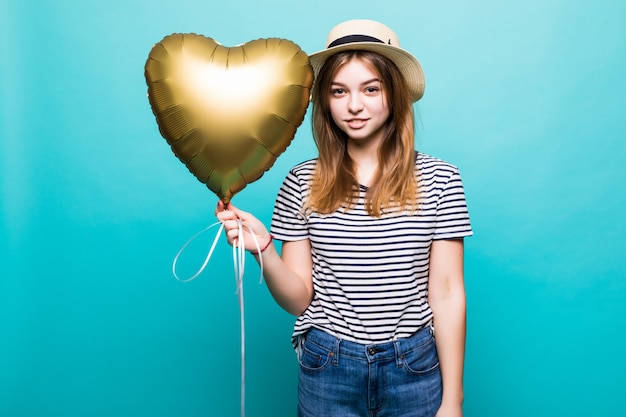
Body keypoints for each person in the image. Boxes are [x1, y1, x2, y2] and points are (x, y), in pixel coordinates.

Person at [216, 19, 472, 417]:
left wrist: (452, 400)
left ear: (395, 93)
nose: (354, 105)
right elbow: (299, 298)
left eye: (371, 88)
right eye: (339, 91)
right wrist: (262, 248)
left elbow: (447, 292)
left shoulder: (440, 179)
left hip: (415, 365)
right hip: (329, 365)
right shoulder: (302, 181)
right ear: (325, 100)